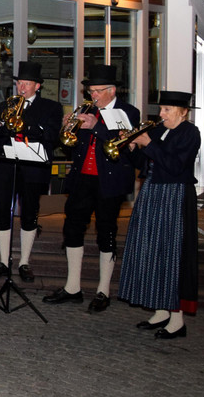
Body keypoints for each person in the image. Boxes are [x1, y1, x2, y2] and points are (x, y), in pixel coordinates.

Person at [44, 65, 139, 312]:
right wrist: (67, 128)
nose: (93, 95)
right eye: (91, 91)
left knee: (106, 231)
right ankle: (72, 287)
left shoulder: (128, 112)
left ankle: (103, 291)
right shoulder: (87, 109)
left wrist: (96, 126)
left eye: (97, 91)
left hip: (110, 181)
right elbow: (71, 146)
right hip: (82, 179)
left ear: (112, 90)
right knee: (72, 228)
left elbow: (125, 147)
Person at [117, 91, 199, 339]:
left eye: (167, 110)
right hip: (152, 192)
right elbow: (143, 163)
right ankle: (161, 310)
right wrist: (131, 146)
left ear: (183, 112)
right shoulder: (159, 131)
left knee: (171, 253)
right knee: (151, 250)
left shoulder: (190, 133)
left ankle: (177, 320)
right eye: (161, 109)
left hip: (174, 195)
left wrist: (148, 143)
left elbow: (175, 165)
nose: (161, 114)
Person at [0, 61, 62, 283]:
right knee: (2, 211)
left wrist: (25, 126)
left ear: (37, 86)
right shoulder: (6, 105)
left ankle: (24, 262)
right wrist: (3, 124)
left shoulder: (51, 107)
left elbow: (52, 136)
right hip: (6, 167)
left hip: (33, 168)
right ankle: (3, 261)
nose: (22, 87)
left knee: (29, 213)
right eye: (19, 83)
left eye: (27, 83)